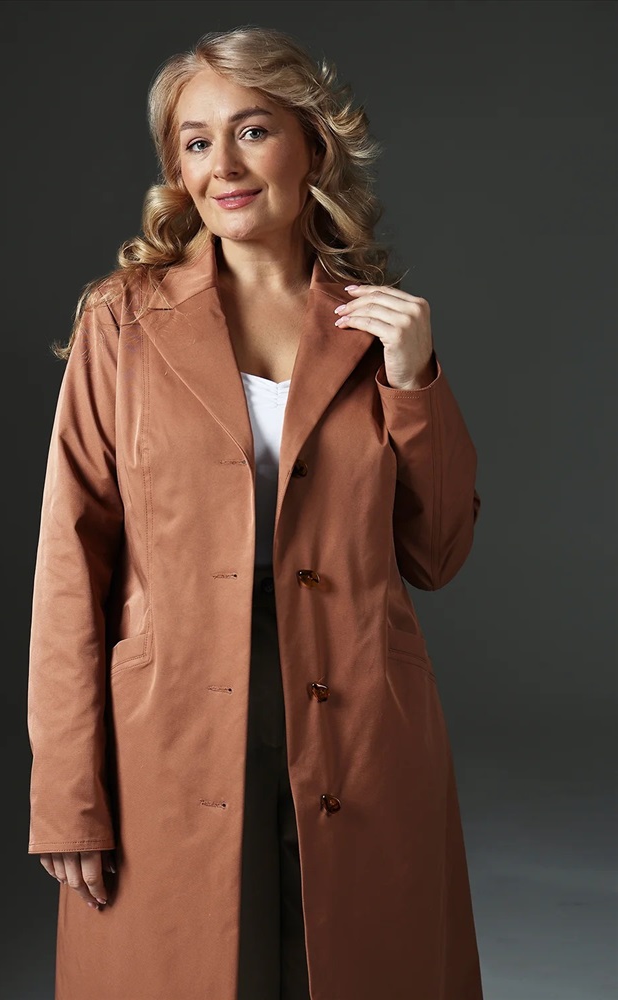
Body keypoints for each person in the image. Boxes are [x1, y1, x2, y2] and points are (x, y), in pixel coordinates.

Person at [26, 25, 484, 1000]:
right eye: (196, 142)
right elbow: (72, 563)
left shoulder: (376, 327)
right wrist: (66, 791)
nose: (223, 167)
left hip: (362, 723)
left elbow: (439, 552)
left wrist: (416, 382)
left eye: (251, 131)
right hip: (167, 731)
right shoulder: (122, 321)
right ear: (177, 169)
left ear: (311, 144)